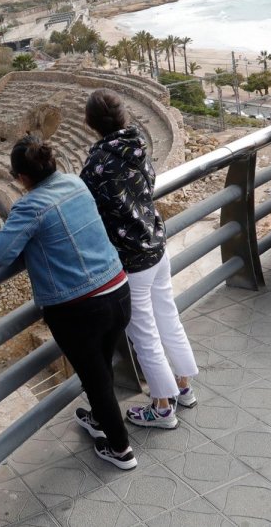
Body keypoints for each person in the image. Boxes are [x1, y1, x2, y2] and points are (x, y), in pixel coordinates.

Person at [0, 135, 136, 470]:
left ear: (22, 178)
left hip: (79, 309)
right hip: (118, 289)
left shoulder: (30, 205)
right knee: (101, 369)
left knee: (96, 379)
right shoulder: (75, 183)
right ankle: (101, 420)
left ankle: (121, 449)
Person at [81, 89, 199, 429]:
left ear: (90, 123)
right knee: (168, 317)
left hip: (131, 260)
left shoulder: (97, 164)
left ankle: (162, 408)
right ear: (123, 117)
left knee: (144, 333)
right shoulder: (138, 147)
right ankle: (184, 386)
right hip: (156, 246)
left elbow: (91, 209)